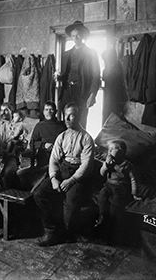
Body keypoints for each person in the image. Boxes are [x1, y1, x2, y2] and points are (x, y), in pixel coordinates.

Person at [33, 102, 95, 246]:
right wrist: (54, 178)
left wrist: (71, 180)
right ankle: (51, 231)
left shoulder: (86, 138)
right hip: (63, 169)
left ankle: (66, 234)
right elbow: (54, 159)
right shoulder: (61, 137)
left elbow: (86, 166)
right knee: (39, 193)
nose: (67, 119)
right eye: (65, 115)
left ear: (78, 116)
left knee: (70, 208)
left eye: (71, 115)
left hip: (78, 174)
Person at [57, 21, 101, 128]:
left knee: (81, 121)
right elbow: (65, 74)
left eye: (78, 35)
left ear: (83, 36)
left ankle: (80, 144)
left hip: (82, 91)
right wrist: (58, 76)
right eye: (73, 36)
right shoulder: (66, 54)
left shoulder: (91, 53)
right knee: (66, 120)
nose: (75, 38)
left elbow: (96, 75)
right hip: (67, 91)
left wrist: (92, 94)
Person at [95, 140, 141, 228]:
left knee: (115, 204)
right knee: (101, 197)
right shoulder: (108, 162)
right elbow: (102, 173)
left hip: (120, 187)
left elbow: (133, 179)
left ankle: (113, 221)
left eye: (113, 149)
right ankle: (102, 216)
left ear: (121, 152)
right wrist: (106, 165)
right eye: (109, 149)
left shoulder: (127, 165)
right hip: (108, 184)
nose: (109, 151)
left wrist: (134, 193)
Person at [30, 101, 66, 167]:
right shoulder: (39, 126)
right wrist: (44, 145)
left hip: (59, 158)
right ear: (43, 112)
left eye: (51, 110)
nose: (48, 112)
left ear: (56, 111)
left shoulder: (62, 125)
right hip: (44, 159)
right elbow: (32, 143)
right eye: (46, 110)